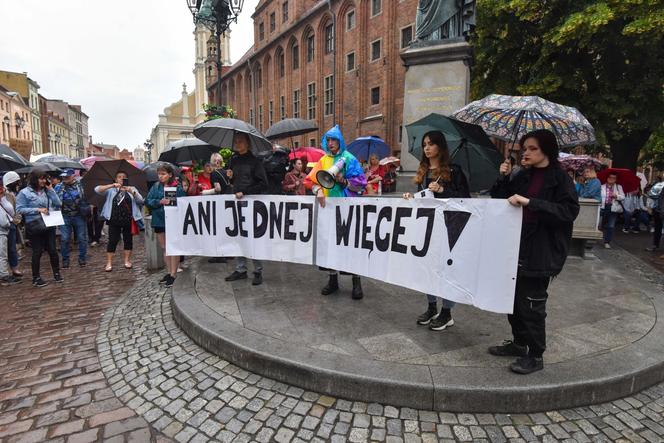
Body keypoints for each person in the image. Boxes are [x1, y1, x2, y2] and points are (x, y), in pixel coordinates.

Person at [488, 129, 579, 374]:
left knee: (531, 305)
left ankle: (536, 355)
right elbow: (498, 200)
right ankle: (518, 344)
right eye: (524, 148)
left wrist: (531, 203)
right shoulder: (522, 176)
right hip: (514, 247)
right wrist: (503, 178)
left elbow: (568, 212)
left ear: (546, 150)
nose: (525, 153)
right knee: (512, 302)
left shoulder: (560, 179)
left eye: (532, 148)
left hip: (541, 251)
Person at [403, 131, 470, 331]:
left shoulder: (454, 170)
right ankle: (432, 307)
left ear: (440, 146)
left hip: (449, 227)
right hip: (428, 228)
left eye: (431, 143)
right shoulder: (422, 171)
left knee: (447, 270)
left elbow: (465, 199)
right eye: (424, 144)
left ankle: (447, 312)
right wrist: (411, 198)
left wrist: (444, 191)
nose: (427, 147)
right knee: (428, 268)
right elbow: (423, 199)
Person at [305, 125, 367, 299]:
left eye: (334, 140)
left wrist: (345, 182)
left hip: (347, 208)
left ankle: (356, 282)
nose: (331, 143)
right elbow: (310, 180)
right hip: (328, 209)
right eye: (328, 140)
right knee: (330, 244)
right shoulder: (323, 160)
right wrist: (317, 190)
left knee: (350, 244)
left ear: (340, 141)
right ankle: (333, 280)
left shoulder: (349, 159)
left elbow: (361, 183)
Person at [224, 132, 269, 285]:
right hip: (236, 205)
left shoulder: (256, 162)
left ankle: (258, 270)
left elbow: (263, 184)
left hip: (251, 204)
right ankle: (241, 269)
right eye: (236, 142)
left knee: (252, 237)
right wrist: (230, 177)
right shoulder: (233, 161)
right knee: (238, 236)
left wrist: (245, 192)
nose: (237, 144)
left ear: (247, 144)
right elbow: (233, 183)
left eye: (241, 141)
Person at [16, 171, 63, 287]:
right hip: (34, 224)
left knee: (52, 250)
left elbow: (58, 203)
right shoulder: (24, 193)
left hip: (49, 222)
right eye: (41, 179)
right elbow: (19, 209)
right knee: (37, 251)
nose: (43, 181)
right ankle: (36, 277)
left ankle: (56, 273)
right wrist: (37, 209)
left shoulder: (47, 191)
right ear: (34, 179)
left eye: (45, 179)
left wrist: (51, 190)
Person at [95, 171, 144, 271]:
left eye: (123, 177)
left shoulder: (131, 188)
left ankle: (127, 261)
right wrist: (112, 185)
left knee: (128, 240)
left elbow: (140, 201)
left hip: (128, 219)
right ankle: (109, 263)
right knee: (112, 241)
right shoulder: (111, 190)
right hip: (114, 219)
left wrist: (132, 192)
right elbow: (97, 190)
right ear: (116, 179)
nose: (121, 179)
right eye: (119, 177)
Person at [146, 163, 185, 287]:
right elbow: (148, 201)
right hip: (159, 221)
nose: (160, 176)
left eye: (163, 174)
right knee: (165, 248)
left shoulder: (176, 187)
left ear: (170, 175)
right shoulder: (155, 186)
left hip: (172, 221)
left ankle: (174, 274)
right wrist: (159, 202)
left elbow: (183, 202)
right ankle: (169, 272)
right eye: (159, 174)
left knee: (173, 247)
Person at [55, 169, 89, 268]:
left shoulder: (80, 185)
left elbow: (87, 198)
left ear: (73, 176)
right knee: (65, 239)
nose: (65, 179)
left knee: (82, 238)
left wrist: (87, 205)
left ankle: (82, 258)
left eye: (67, 177)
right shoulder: (58, 187)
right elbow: (55, 200)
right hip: (64, 215)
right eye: (63, 177)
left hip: (79, 215)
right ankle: (65, 259)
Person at [2, 171, 23, 278]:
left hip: (11, 225)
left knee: (12, 248)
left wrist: (16, 221)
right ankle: (4, 272)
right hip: (1, 226)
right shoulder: (6, 194)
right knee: (3, 250)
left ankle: (14, 268)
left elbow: (16, 209)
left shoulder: (11, 195)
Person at [600, 172, 625, 248]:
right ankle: (598, 237)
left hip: (613, 208)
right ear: (607, 178)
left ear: (616, 180)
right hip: (603, 207)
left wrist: (616, 196)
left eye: (614, 178)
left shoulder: (618, 187)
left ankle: (607, 242)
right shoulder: (602, 186)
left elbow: (623, 197)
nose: (611, 179)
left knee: (611, 225)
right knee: (600, 224)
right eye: (610, 177)